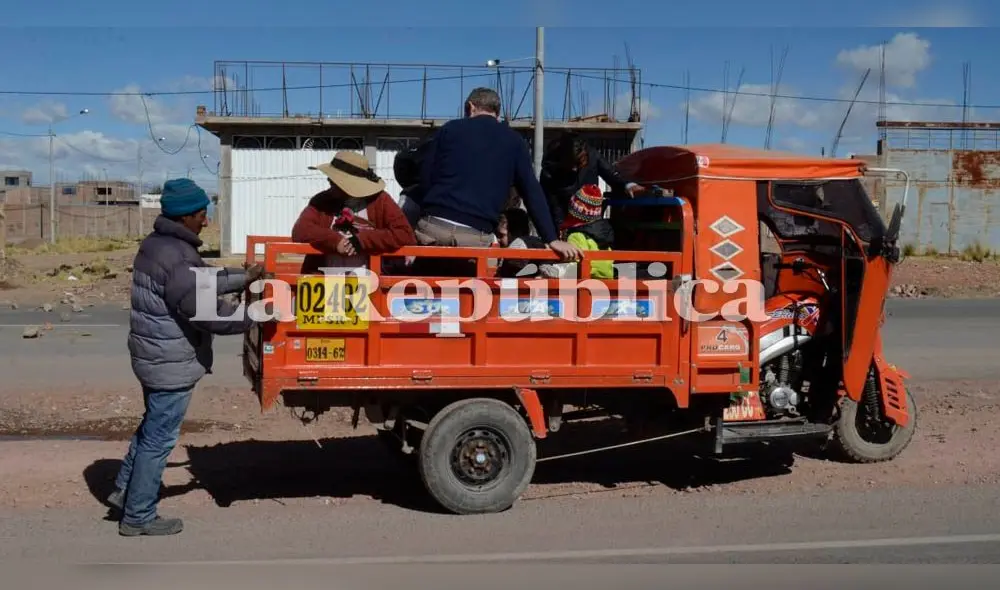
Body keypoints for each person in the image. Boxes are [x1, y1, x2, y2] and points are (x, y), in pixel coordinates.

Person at [107, 178, 261, 537]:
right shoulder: (176, 255)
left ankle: (124, 492)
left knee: (151, 428)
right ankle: (138, 516)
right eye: (203, 215)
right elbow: (207, 311)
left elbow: (198, 281)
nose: (206, 222)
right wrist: (257, 317)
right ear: (187, 216)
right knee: (159, 438)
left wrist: (241, 278)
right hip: (169, 363)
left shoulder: (159, 245)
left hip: (153, 355)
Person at [409, 87, 582, 274]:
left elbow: (425, 176)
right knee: (466, 294)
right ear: (497, 113)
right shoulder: (514, 142)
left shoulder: (449, 129)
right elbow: (532, 191)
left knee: (423, 289)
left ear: (470, 107)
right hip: (475, 236)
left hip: (434, 227)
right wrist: (551, 238)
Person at [291, 151, 416, 275]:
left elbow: (404, 234)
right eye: (331, 179)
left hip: (369, 281)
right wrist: (334, 241)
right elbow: (300, 230)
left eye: (335, 180)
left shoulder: (380, 200)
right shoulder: (322, 200)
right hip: (324, 281)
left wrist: (363, 240)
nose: (329, 181)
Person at [540, 130, 644, 232]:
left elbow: (611, 174)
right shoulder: (550, 170)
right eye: (572, 164)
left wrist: (627, 185)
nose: (575, 169)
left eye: (579, 163)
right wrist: (560, 231)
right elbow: (553, 206)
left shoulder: (593, 156)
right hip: (565, 217)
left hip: (591, 220)